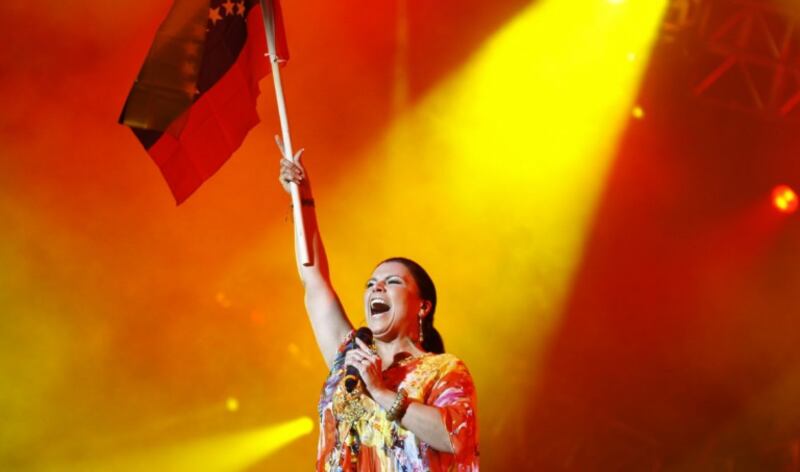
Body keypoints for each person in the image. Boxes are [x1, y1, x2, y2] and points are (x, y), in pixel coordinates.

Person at [278, 147, 479, 471]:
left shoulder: (444, 370)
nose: (376, 287)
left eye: (392, 282)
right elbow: (314, 280)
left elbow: (454, 437)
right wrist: (302, 198)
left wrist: (380, 391)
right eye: (371, 283)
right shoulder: (350, 359)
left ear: (423, 306)